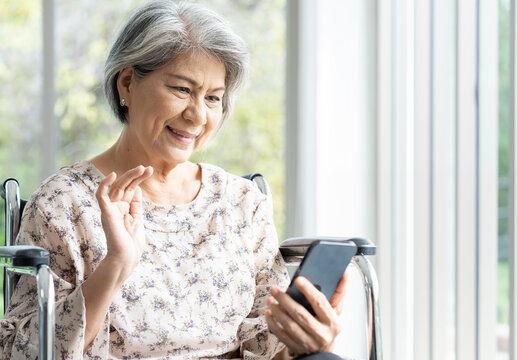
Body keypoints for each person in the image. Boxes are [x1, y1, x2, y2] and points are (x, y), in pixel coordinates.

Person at [0, 1, 347, 359]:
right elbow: (22, 353)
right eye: (182, 89)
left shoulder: (242, 204)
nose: (198, 115)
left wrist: (309, 342)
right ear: (128, 83)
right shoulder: (65, 203)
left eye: (213, 98)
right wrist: (114, 266)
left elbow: (267, 349)